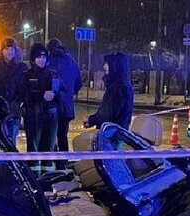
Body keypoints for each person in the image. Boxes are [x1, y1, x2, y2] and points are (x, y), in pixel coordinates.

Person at [22, 43, 59, 174]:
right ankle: (34, 176)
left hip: (51, 115)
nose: (41, 60)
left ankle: (47, 176)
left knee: (48, 147)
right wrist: (41, 95)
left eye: (44, 57)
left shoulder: (53, 74)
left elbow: (62, 92)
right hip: (33, 115)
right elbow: (24, 94)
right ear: (33, 58)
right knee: (33, 147)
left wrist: (55, 95)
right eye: (38, 57)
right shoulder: (27, 75)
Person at [47, 38, 83, 169]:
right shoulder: (71, 61)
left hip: (52, 105)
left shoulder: (49, 61)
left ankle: (52, 164)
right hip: (67, 107)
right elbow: (79, 82)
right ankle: (63, 164)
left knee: (49, 135)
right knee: (63, 136)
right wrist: (70, 93)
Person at [0, 39, 25, 142]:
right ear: (2, 51)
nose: (9, 52)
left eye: (11, 49)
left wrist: (18, 101)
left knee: (11, 138)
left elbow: (25, 87)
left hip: (14, 108)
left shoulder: (21, 67)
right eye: (6, 49)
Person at [84, 52, 134, 131]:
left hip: (111, 132)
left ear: (116, 66)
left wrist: (91, 120)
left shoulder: (117, 87)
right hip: (119, 131)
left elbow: (107, 114)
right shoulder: (124, 84)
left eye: (107, 63)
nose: (104, 66)